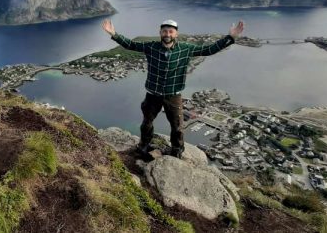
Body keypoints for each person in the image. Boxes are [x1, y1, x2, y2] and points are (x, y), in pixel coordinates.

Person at [101, 18, 244, 160]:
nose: (167, 34)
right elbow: (131, 45)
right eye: (164, 31)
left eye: (170, 31)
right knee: (147, 123)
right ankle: (144, 145)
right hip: (153, 93)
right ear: (160, 33)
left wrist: (230, 37)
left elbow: (208, 50)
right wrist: (113, 34)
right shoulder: (151, 47)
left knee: (177, 126)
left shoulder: (186, 48)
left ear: (176, 34)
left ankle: (176, 150)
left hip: (173, 95)